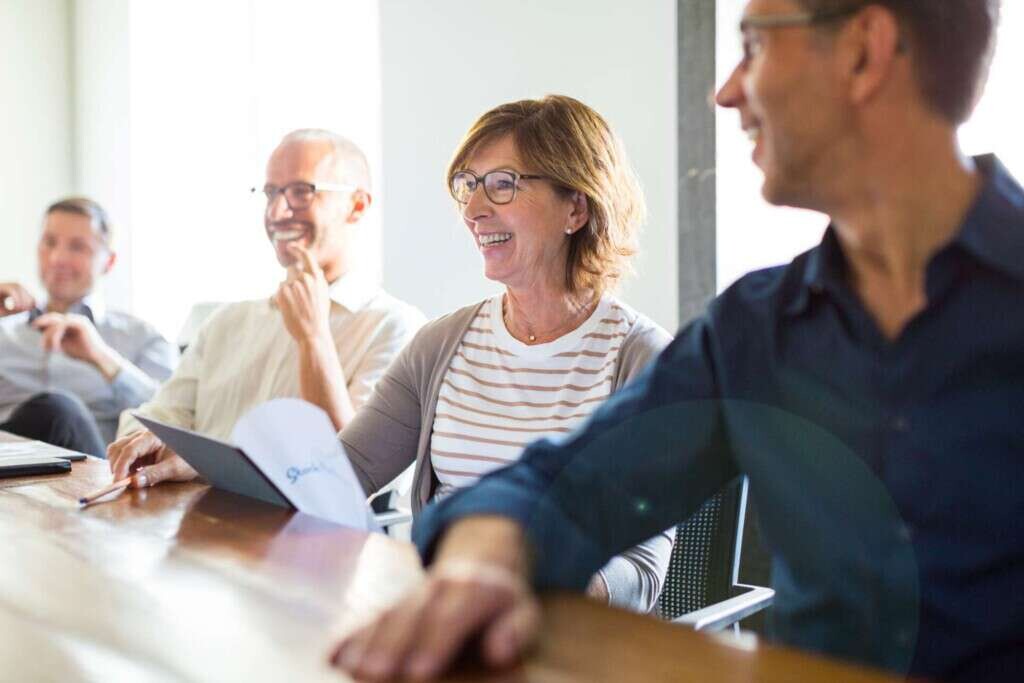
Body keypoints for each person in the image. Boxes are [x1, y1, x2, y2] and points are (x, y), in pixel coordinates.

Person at [332, 1, 1021, 681]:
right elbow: (576, 483)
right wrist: (489, 548)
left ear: (864, 50)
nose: (725, 93)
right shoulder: (756, 328)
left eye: (753, 44)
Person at [339, 95, 675, 612]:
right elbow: (341, 471)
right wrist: (218, 466)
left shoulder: (641, 358)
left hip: (560, 631)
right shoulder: (439, 345)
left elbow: (642, 571)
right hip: (439, 613)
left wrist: (534, 575)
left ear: (576, 207)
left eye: (502, 184)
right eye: (468, 186)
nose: (474, 210)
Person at [107, 129, 425, 486]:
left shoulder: (395, 327)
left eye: (302, 192)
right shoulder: (227, 321)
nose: (277, 212)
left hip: (302, 536)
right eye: (272, 192)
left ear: (357, 205)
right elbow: (155, 414)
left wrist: (313, 337)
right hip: (193, 522)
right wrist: (153, 442)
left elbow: (352, 473)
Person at [0, 198, 177, 457]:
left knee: (59, 410)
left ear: (109, 261)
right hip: (8, 475)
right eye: (49, 242)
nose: (57, 258)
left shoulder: (143, 338)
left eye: (77, 247)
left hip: (89, 480)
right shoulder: (5, 331)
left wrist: (102, 359)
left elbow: (175, 419)